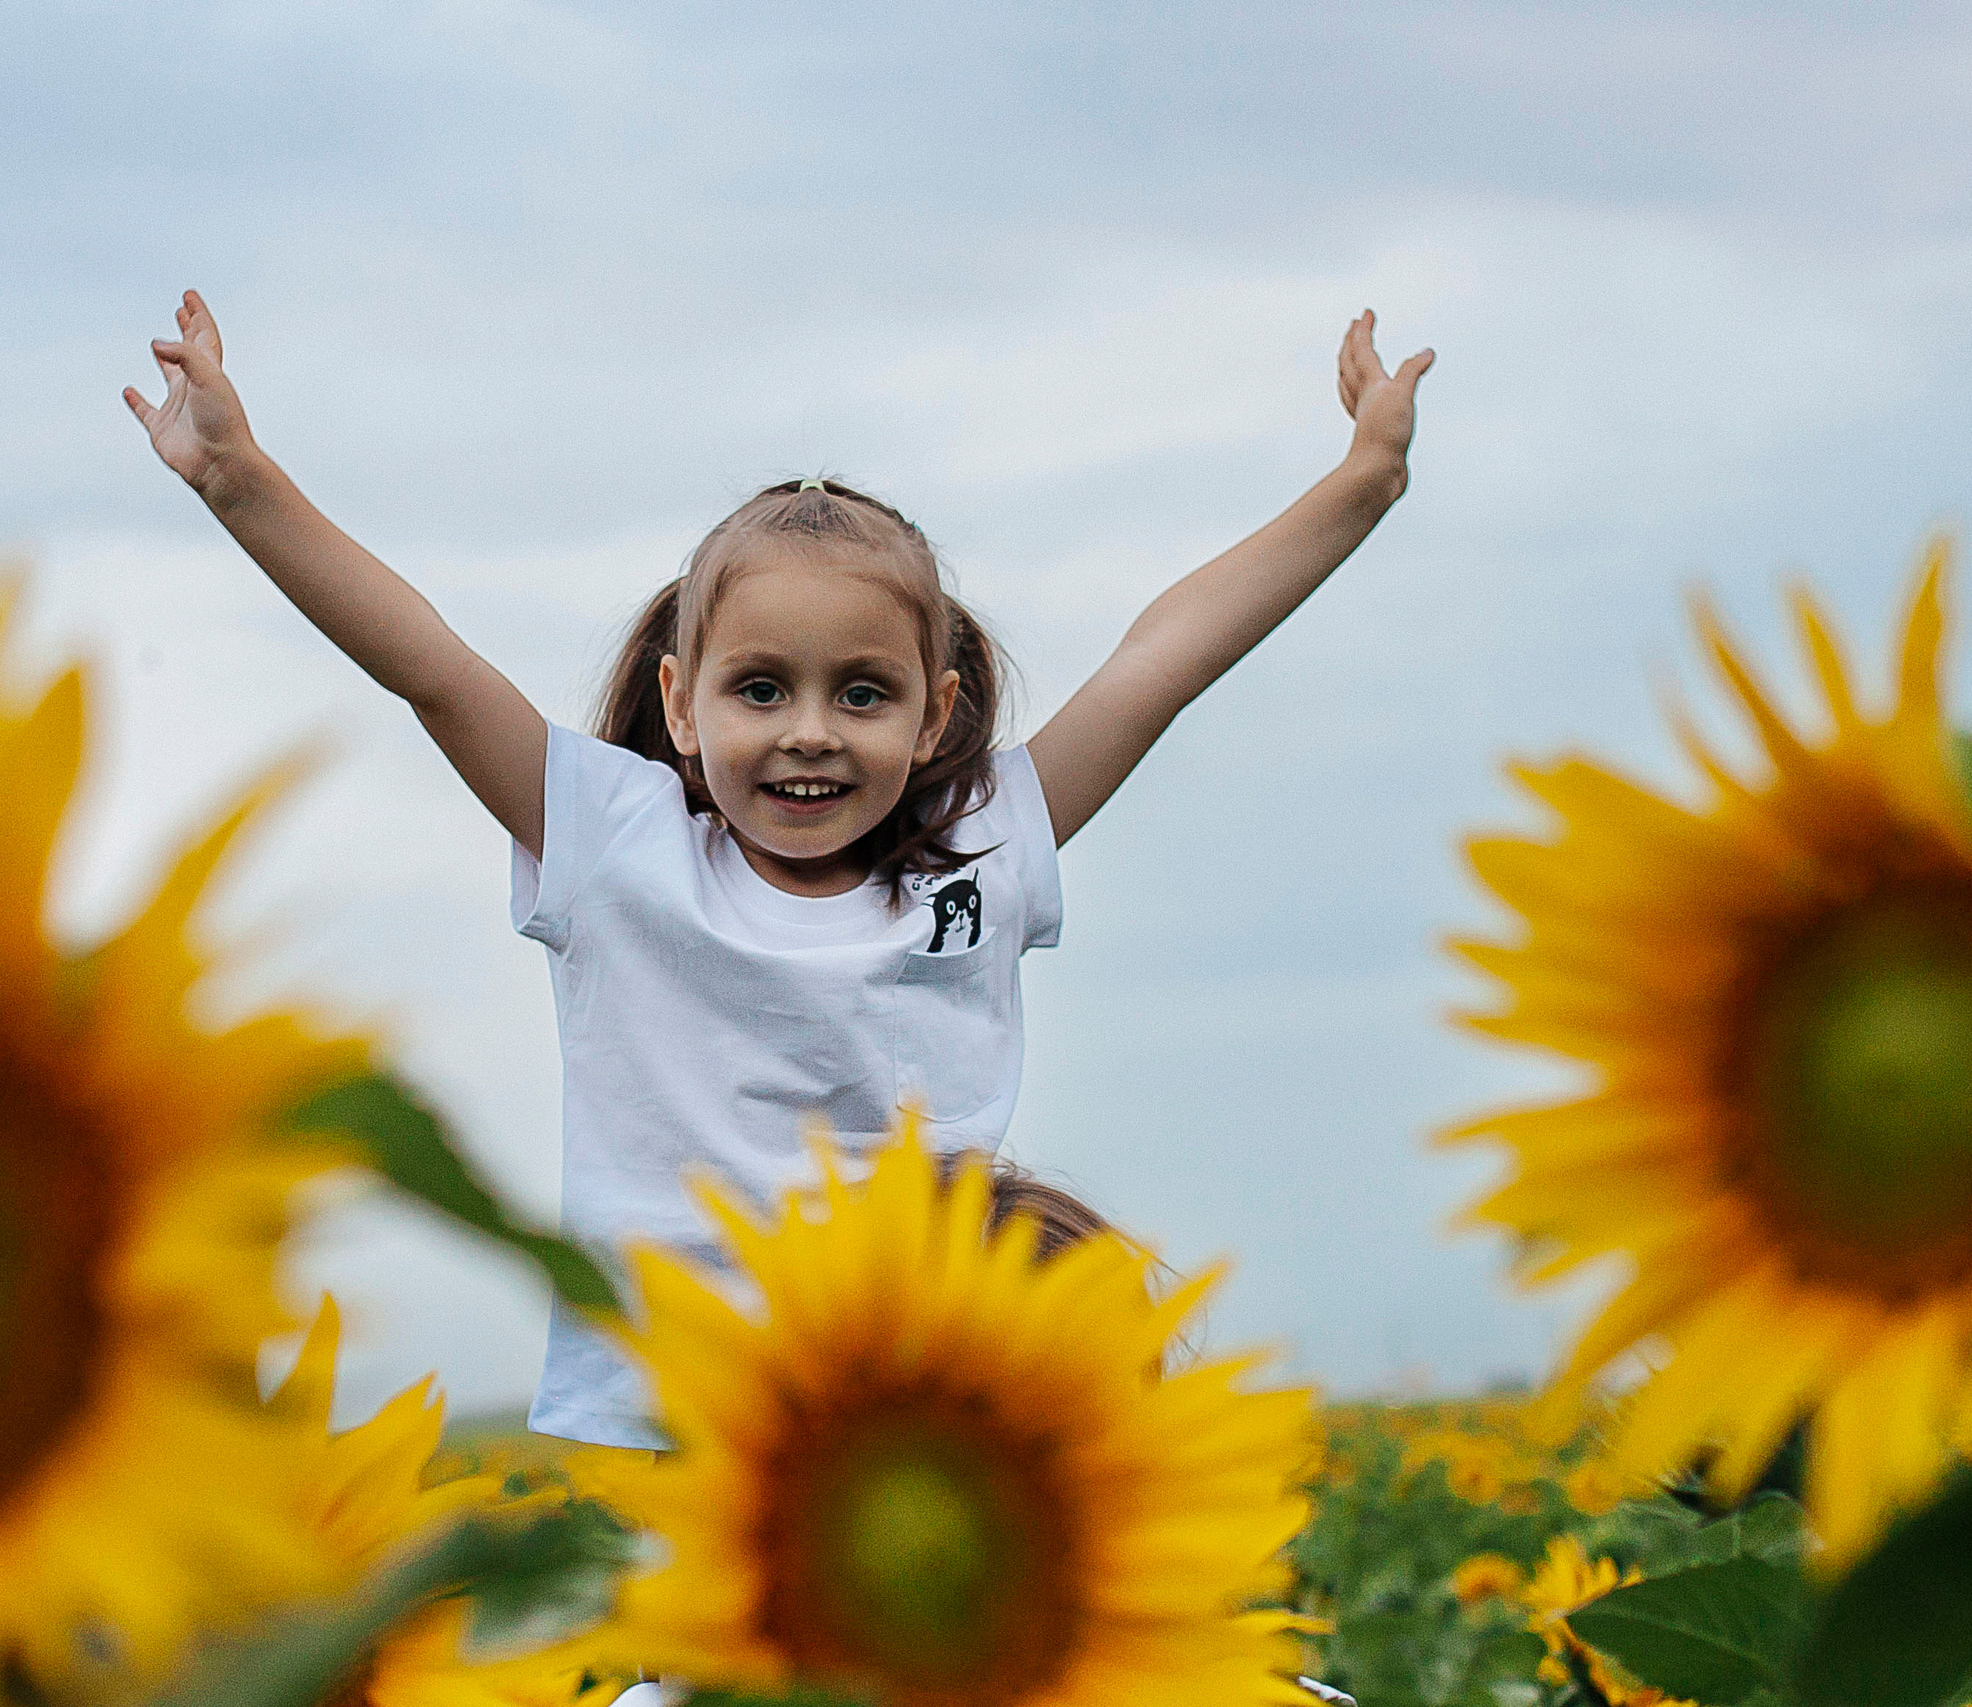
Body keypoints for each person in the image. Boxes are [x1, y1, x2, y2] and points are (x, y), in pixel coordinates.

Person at [125, 290, 1432, 1447]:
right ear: (683, 707)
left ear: (933, 716)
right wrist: (244, 486)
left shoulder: (976, 853)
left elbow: (1162, 664)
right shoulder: (620, 848)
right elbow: (430, 666)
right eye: (764, 688)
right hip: (684, 1405)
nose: (810, 730)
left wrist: (1359, 485)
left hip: (928, 1399)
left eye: (861, 692)